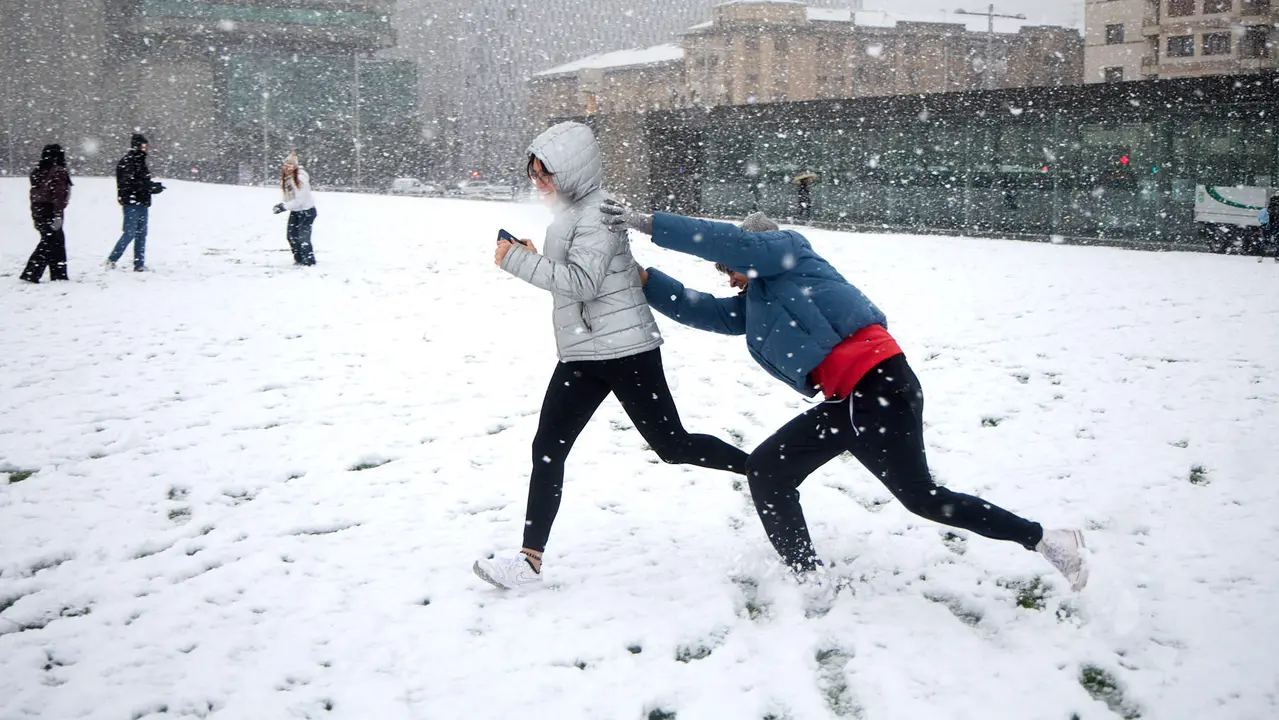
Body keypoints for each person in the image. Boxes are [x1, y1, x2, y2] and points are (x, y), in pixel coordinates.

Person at [599, 203, 1089, 591]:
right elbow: (701, 310)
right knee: (902, 494)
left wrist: (647, 223)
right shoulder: (757, 303)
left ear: (755, 252)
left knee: (778, 471)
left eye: (731, 268)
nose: (728, 277)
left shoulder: (789, 251)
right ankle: (1049, 540)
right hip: (857, 398)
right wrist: (641, 278)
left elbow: (736, 241)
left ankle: (810, 580)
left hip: (877, 385)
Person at [472, 121, 749, 590]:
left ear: (574, 171)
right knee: (548, 448)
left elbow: (584, 283)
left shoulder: (597, 212)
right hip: (585, 351)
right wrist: (536, 255)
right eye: (534, 175)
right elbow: (574, 274)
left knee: (673, 445)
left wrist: (516, 260)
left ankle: (764, 468)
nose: (539, 184)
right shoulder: (572, 211)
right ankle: (529, 561)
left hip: (626, 351)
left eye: (546, 175)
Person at [106, 133, 164, 271]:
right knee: (130, 233)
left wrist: (151, 187)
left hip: (140, 201)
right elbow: (129, 183)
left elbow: (139, 182)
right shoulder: (128, 162)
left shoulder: (139, 161)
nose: (145, 149)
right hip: (132, 202)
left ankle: (139, 263)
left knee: (141, 234)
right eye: (143, 146)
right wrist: (149, 187)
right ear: (136, 146)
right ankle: (113, 258)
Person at [20, 144, 73, 284]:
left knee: (53, 240)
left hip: (39, 210)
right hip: (50, 210)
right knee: (51, 242)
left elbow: (35, 194)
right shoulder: (58, 172)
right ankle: (34, 273)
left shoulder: (38, 171)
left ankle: (57, 274)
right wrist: (57, 215)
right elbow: (58, 195)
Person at [272, 151, 317, 265]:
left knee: (303, 238)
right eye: (286, 165)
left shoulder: (300, 179)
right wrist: (282, 204)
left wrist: (284, 206)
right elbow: (289, 197)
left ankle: (308, 261)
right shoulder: (287, 178)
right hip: (296, 211)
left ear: (295, 166)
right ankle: (299, 259)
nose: (287, 167)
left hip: (306, 211)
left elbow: (300, 200)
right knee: (291, 236)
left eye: (290, 165)